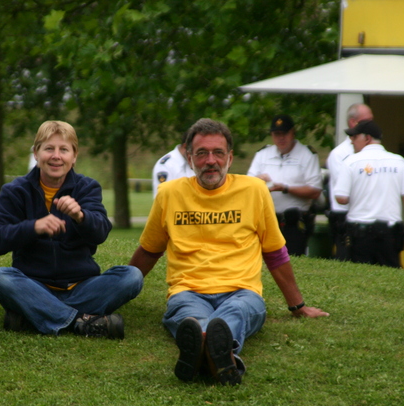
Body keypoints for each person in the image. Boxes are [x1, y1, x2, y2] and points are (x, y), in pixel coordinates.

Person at [129, 118, 328, 386]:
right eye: (201, 153)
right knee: (190, 317)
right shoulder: (169, 194)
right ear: (189, 158)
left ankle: (202, 351)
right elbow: (149, 251)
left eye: (218, 153)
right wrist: (122, 291)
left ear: (230, 158)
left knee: (234, 314)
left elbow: (274, 252)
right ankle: (221, 358)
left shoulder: (254, 190)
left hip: (242, 292)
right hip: (188, 291)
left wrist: (298, 306)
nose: (210, 160)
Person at [0, 120, 143, 339]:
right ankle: (82, 322)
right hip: (34, 285)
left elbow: (101, 232)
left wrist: (80, 216)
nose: (56, 156)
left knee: (131, 276)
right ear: (36, 153)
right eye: (49, 149)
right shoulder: (15, 191)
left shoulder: (87, 187)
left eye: (63, 150)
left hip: (83, 287)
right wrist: (33, 227)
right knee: (0, 278)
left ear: (74, 156)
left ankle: (35, 315)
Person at [334, 120, 404, 267]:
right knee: (390, 280)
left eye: (354, 137)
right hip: (389, 236)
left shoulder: (351, 162)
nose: (351, 141)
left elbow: (341, 198)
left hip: (360, 234)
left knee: (361, 280)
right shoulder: (398, 162)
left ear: (367, 138)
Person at [247, 114, 323, 256]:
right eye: (277, 134)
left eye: (284, 133)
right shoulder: (263, 154)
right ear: (271, 135)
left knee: (293, 261)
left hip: (295, 222)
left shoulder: (307, 154)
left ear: (293, 132)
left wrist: (285, 188)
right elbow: (248, 184)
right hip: (268, 220)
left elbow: (315, 191)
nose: (281, 138)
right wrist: (258, 180)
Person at [326, 103, 374, 260]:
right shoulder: (339, 154)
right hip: (344, 216)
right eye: (367, 120)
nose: (372, 124)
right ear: (353, 122)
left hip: (368, 217)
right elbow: (347, 189)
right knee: (345, 259)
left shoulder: (374, 152)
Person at [152, 133, 195, 198]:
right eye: (194, 150)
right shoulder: (166, 165)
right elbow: (163, 198)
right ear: (185, 147)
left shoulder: (195, 162)